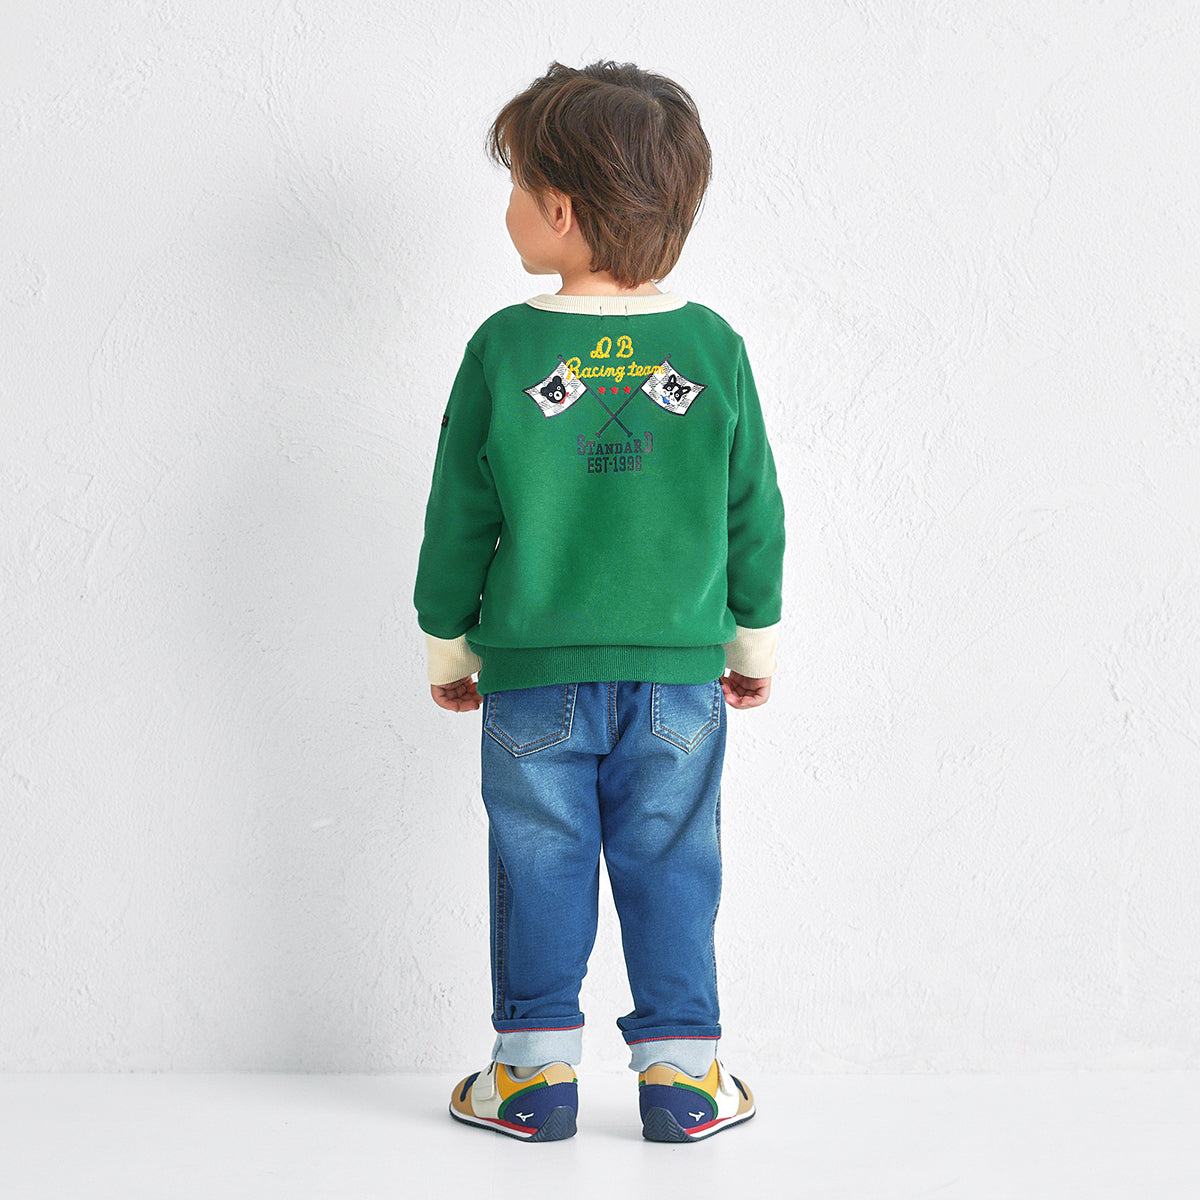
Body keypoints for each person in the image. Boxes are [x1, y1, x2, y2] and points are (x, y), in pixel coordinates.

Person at [413, 59, 785, 1143]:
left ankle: (532, 1080)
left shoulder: (504, 347)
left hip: (534, 678)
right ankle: (684, 1079)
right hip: (679, 681)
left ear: (562, 210)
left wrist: (448, 646)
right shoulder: (712, 348)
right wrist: (752, 643)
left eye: (517, 185)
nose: (509, 207)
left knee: (540, 862)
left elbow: (458, 514)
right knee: (675, 864)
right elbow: (753, 509)